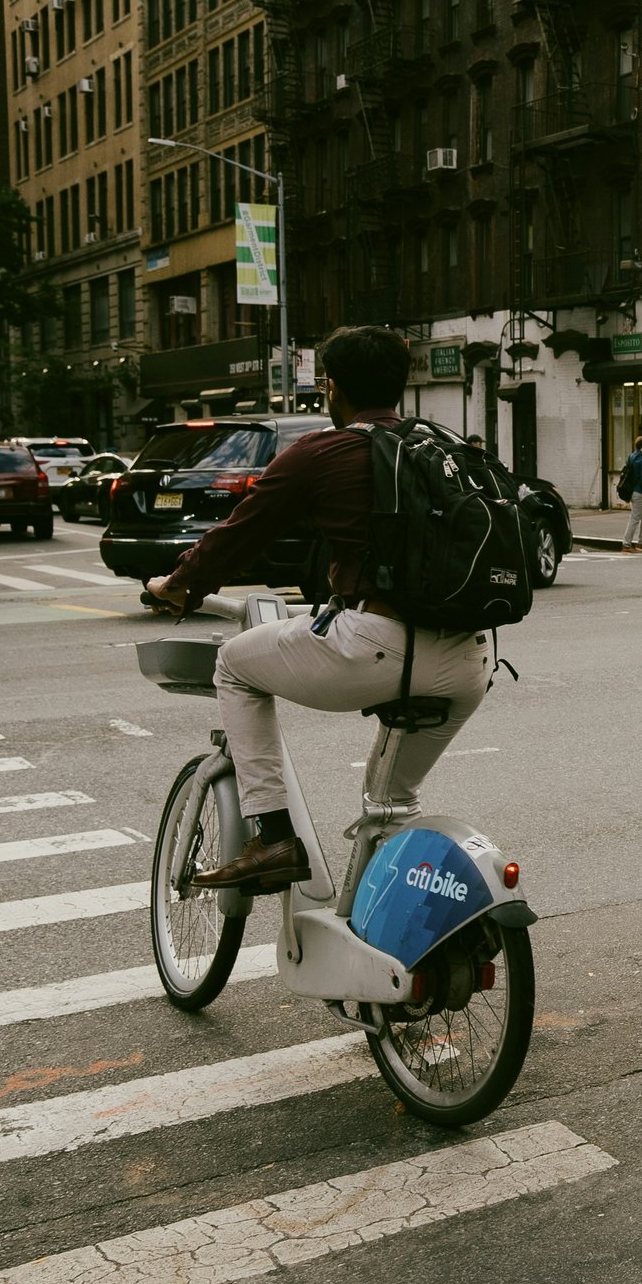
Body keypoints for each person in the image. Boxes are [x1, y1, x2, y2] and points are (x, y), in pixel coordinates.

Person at [143, 325, 492, 893]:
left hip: (376, 647)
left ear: (333, 388)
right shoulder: (445, 446)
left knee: (233, 664)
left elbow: (240, 533)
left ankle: (274, 837)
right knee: (391, 802)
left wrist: (179, 584)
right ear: (399, 385)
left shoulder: (323, 451)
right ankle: (379, 918)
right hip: (470, 660)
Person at [618, 435, 642, 553]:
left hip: (632, 491)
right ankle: (626, 545)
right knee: (635, 518)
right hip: (640, 492)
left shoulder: (631, 456)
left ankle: (641, 543)